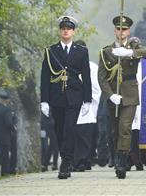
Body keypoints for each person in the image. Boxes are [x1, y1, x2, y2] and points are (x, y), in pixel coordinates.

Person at [98, 15, 146, 179]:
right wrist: (110, 95)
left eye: (125, 29)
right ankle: (117, 158)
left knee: (125, 128)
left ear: (128, 31)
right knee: (114, 131)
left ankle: (122, 162)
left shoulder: (134, 46)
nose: (121, 32)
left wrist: (130, 52)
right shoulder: (106, 51)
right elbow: (101, 77)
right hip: (113, 95)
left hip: (129, 93)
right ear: (115, 31)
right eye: (119, 29)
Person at [40, 15, 92, 179]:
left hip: (75, 96)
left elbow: (86, 76)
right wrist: (44, 100)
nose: (66, 31)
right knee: (59, 131)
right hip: (56, 96)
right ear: (60, 31)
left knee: (69, 129)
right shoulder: (51, 51)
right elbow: (45, 77)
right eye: (63, 28)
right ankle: (66, 157)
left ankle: (66, 163)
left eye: (68, 29)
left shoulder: (81, 51)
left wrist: (87, 100)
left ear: (73, 31)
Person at [74, 40, 101, 172]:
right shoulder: (70, 66)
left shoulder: (93, 68)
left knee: (86, 137)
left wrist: (87, 100)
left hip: (88, 107)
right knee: (74, 136)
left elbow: (97, 90)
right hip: (73, 107)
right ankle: (76, 161)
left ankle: (84, 161)